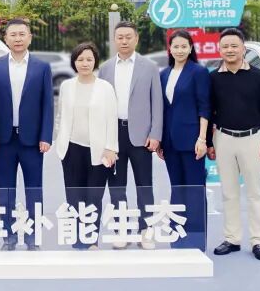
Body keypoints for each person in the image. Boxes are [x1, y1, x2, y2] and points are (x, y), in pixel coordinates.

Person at [0, 18, 54, 251]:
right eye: (13, 34)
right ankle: (9, 236)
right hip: (4, 140)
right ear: (5, 39)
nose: (17, 38)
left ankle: (34, 237)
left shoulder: (41, 67)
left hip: (33, 141)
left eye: (22, 34)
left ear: (29, 38)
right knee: (5, 191)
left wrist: (46, 136)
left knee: (34, 190)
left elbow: (48, 105)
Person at [97, 21, 164, 250]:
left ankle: (146, 230)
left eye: (128, 37)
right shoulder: (105, 68)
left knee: (145, 185)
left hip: (141, 136)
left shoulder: (149, 67)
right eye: (120, 37)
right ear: (114, 40)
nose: (124, 41)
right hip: (114, 135)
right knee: (117, 186)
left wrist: (155, 134)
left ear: (136, 39)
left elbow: (157, 103)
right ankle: (121, 230)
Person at [209, 27, 260, 261]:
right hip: (224, 138)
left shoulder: (258, 76)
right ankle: (232, 239)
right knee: (229, 192)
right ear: (219, 50)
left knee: (255, 192)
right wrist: (210, 143)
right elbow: (209, 111)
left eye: (234, 46)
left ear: (243, 48)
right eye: (225, 46)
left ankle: (258, 241)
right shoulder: (213, 78)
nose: (230, 50)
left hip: (253, 139)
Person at [53, 42, 118, 249]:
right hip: (71, 149)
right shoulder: (67, 86)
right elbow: (61, 116)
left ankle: (91, 240)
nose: (84, 63)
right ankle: (77, 239)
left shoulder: (105, 87)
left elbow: (112, 119)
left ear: (95, 62)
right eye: (80, 59)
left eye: (89, 59)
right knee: (74, 197)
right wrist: (60, 141)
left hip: (99, 151)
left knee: (94, 197)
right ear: (74, 62)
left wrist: (111, 148)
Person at [155, 30, 211, 250]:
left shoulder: (198, 72)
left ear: (190, 48)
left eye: (183, 46)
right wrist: (160, 140)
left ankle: (196, 241)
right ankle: (178, 238)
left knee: (195, 190)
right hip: (170, 143)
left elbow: (204, 107)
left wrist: (202, 139)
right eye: (175, 46)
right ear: (170, 49)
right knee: (177, 189)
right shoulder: (164, 74)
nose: (179, 50)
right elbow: (162, 109)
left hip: (192, 142)